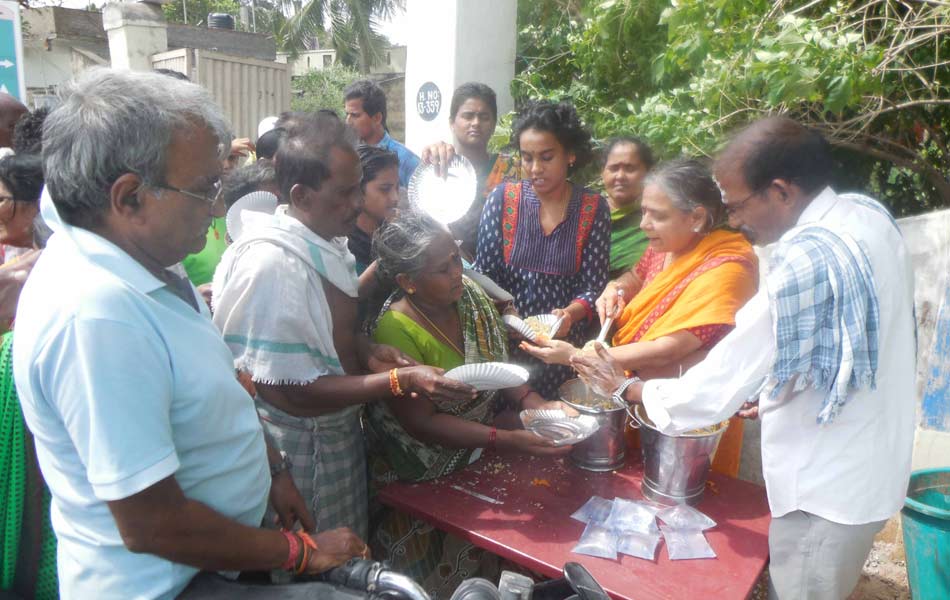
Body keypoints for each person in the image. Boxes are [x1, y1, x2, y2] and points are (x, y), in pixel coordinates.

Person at [12, 68, 366, 600]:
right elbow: (152, 524)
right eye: (205, 189)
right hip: (167, 584)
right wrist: (300, 553)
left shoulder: (148, 259)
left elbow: (223, 383)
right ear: (129, 196)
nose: (220, 206)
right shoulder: (96, 314)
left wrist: (273, 468)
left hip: (215, 561)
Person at [575, 117, 915, 600]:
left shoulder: (806, 260)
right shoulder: (864, 215)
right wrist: (779, 383)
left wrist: (627, 388)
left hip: (826, 486)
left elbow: (716, 385)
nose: (733, 219)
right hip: (865, 459)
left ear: (780, 191)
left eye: (736, 205)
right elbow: (849, 329)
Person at [212, 113, 477, 543]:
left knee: (345, 563)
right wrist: (397, 379)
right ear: (301, 195)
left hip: (336, 436)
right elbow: (291, 388)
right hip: (300, 453)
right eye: (345, 191)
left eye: (358, 187)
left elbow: (321, 336)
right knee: (314, 572)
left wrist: (367, 348)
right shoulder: (275, 263)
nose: (358, 202)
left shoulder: (323, 242)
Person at [365, 211, 570, 596]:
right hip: (421, 474)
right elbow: (421, 425)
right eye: (443, 269)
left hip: (481, 450)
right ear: (407, 282)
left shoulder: (469, 297)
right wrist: (506, 439)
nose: (458, 272)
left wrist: (533, 402)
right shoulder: (395, 329)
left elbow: (496, 366)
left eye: (457, 259)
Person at [521, 159, 757, 476]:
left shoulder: (728, 268)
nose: (644, 224)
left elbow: (671, 348)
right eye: (643, 210)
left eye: (657, 216)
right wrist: (613, 288)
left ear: (697, 217)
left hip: (685, 414)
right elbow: (636, 275)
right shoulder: (666, 245)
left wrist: (578, 357)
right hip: (633, 393)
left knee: (675, 495)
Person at [474, 101, 610, 398]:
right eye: (527, 158)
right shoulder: (501, 199)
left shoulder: (593, 209)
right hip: (505, 348)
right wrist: (506, 313)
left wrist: (569, 315)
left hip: (561, 352)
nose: (535, 169)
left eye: (547, 157)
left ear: (570, 155)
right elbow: (483, 275)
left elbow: (593, 287)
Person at [419, 82, 522, 256]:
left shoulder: (512, 169)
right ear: (452, 122)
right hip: (450, 267)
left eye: (484, 117)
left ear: (494, 123)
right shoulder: (438, 166)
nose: (476, 123)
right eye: (468, 116)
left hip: (502, 269)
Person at [344, 80, 420, 188]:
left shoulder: (406, 161)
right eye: (347, 114)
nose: (348, 121)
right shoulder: (349, 156)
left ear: (377, 118)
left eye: (355, 115)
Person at [602, 137, 654, 278]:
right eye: (613, 168)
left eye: (630, 168)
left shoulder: (656, 222)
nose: (620, 176)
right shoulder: (584, 215)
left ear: (648, 173)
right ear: (602, 173)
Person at [348, 145, 400, 274]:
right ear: (358, 190)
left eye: (397, 188)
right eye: (385, 189)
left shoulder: (397, 236)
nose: (395, 197)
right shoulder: (342, 247)